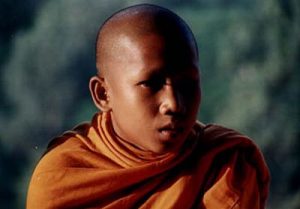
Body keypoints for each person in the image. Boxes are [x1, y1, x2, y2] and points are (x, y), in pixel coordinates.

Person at [27, 4, 270, 209]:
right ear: (103, 94)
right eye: (151, 84)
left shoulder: (223, 165)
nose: (174, 104)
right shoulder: (63, 177)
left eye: (188, 84)